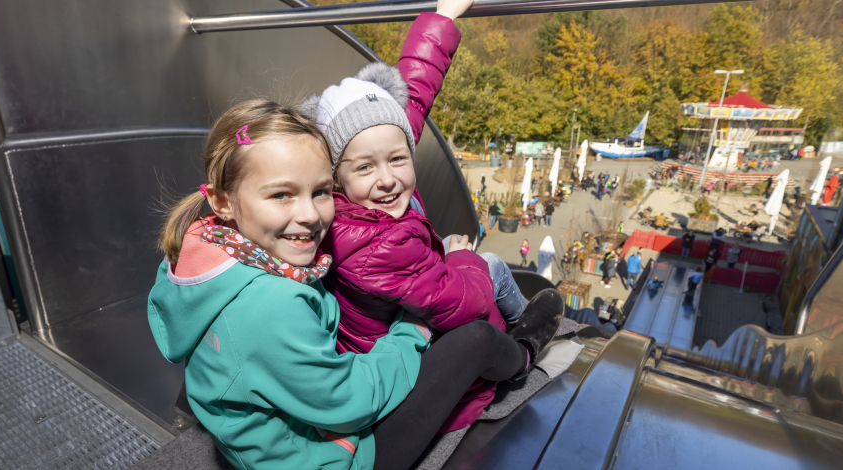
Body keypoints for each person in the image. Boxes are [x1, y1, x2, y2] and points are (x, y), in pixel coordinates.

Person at [148, 99, 565, 470]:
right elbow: (348, 403)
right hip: (339, 453)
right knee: (475, 340)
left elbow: (382, 128)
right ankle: (525, 352)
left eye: (321, 191)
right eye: (281, 195)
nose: (310, 215)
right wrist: (412, 331)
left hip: (258, 436)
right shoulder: (270, 305)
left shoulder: (204, 248)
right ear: (223, 200)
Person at [305, 11, 561, 435]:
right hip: (420, 377)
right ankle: (518, 344)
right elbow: (467, 304)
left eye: (398, 159)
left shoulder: (362, 194)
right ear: (336, 176)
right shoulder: (372, 246)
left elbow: (414, 97)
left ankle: (514, 319)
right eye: (365, 167)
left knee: (484, 264)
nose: (387, 178)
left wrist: (442, 18)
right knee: (490, 267)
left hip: (407, 298)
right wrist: (463, 260)